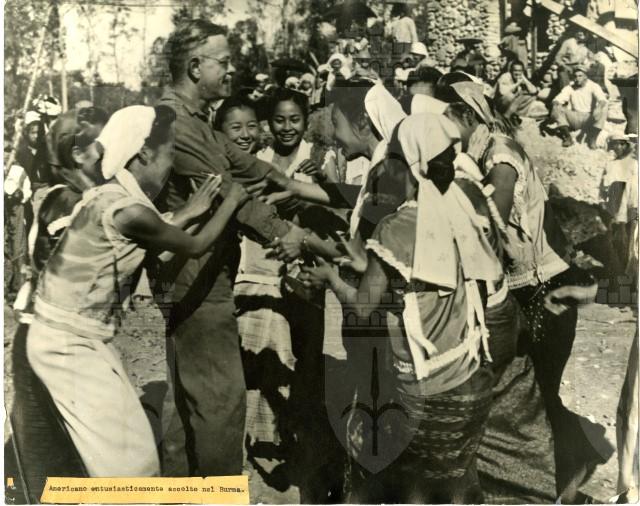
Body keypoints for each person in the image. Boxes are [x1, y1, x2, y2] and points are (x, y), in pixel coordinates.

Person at [26, 105, 250, 477]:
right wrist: (231, 201)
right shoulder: (128, 211)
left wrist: (193, 211)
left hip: (72, 337)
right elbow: (192, 246)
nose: (171, 165)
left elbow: (160, 238)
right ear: (144, 153)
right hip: (67, 344)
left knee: (132, 453)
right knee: (131, 466)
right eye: (169, 153)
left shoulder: (111, 195)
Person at [300, 113, 506, 503]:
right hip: (471, 377)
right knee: (452, 485)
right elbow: (426, 281)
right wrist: (363, 263)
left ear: (407, 163)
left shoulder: (396, 228)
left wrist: (330, 278)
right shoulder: (461, 205)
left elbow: (364, 308)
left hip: (426, 389)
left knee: (413, 490)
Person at [445, 82, 611, 503]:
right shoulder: (486, 151)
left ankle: (570, 482)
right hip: (530, 287)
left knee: (542, 392)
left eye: (446, 120)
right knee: (534, 393)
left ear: (467, 116)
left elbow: (493, 220)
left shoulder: (499, 155)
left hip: (544, 288)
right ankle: (570, 468)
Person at [156, 19, 307, 477]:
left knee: (188, 398)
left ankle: (180, 490)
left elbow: (243, 164)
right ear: (195, 67)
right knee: (220, 401)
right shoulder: (177, 125)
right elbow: (230, 193)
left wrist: (289, 183)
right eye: (222, 62)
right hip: (199, 279)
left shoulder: (194, 121)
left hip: (195, 274)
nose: (230, 69)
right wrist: (286, 234)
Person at [9, 105, 109, 501]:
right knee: (49, 447)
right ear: (78, 154)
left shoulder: (78, 197)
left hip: (56, 331)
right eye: (104, 144)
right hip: (49, 333)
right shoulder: (69, 202)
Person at [600, 133, 638, 277]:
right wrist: (603, 201)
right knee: (616, 237)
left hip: (630, 205)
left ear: (625, 145)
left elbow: (634, 188)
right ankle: (617, 269)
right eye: (615, 144)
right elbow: (604, 187)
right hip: (615, 205)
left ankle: (628, 271)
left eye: (621, 144)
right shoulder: (610, 164)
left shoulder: (633, 164)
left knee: (630, 237)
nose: (617, 147)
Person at [551, 64, 608, 148]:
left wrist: (598, 108)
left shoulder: (593, 86)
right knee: (556, 108)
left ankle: (592, 139)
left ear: (585, 77)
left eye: (580, 76)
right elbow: (558, 99)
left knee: (604, 108)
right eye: (575, 76)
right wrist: (556, 103)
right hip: (574, 117)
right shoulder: (570, 87)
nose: (577, 78)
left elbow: (602, 99)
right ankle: (567, 137)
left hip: (589, 118)